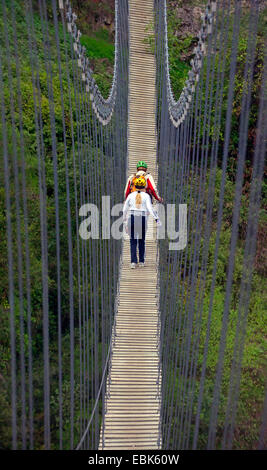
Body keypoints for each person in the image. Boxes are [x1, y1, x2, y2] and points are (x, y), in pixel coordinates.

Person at [123, 175, 161, 269]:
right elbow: (150, 208)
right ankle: (141, 262)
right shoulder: (146, 196)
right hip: (142, 219)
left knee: (132, 241)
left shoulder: (130, 196)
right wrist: (157, 219)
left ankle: (133, 262)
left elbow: (124, 209)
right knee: (141, 240)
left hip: (132, 218)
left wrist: (124, 220)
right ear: (144, 187)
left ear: (135, 186)